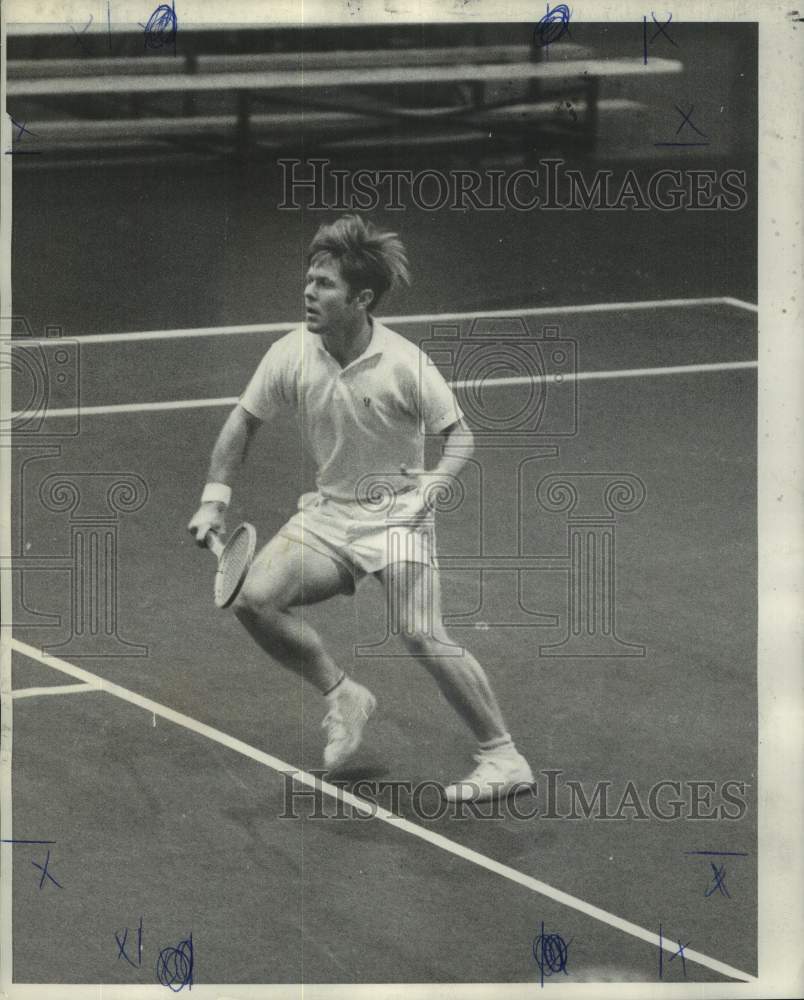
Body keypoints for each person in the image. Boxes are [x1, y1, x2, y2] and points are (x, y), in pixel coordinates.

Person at [188, 215, 533, 802]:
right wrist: (213, 501)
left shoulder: (405, 363)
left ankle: (503, 757)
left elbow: (461, 437)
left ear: (361, 298)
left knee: (421, 632)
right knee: (254, 598)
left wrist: (431, 487)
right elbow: (243, 420)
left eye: (324, 284)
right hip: (329, 514)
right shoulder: (291, 353)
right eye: (309, 279)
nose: (308, 292)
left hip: (398, 515)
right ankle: (343, 693)